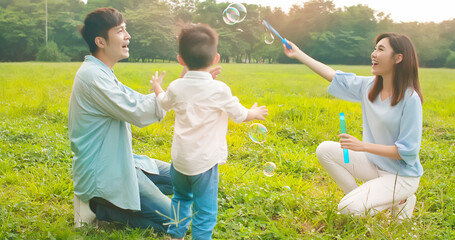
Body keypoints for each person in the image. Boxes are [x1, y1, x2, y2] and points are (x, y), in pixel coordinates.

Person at [68, 7, 215, 231]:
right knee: (179, 222)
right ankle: (103, 209)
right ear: (101, 41)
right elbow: (138, 111)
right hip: (106, 172)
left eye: (125, 30)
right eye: (120, 31)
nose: (128, 36)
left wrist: (183, 85)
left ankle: (117, 204)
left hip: (125, 161)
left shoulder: (102, 72)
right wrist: (180, 89)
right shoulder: (92, 76)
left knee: (191, 180)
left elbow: (137, 101)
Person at [283, 33, 423, 220]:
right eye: (375, 48)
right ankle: (358, 198)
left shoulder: (410, 99)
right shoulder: (368, 86)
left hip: (401, 177)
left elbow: (406, 152)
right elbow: (333, 76)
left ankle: (401, 198)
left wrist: (362, 146)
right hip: (375, 165)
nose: (373, 54)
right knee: (324, 150)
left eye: (381, 49)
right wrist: (299, 54)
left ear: (398, 58)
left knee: (347, 210)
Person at [151, 24, 268, 239]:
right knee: (205, 210)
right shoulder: (219, 89)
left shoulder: (177, 86)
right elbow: (240, 115)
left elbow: (162, 101)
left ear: (181, 60)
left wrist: (158, 86)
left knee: (180, 198)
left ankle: (175, 234)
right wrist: (254, 111)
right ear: (216, 58)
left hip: (179, 161)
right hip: (204, 164)